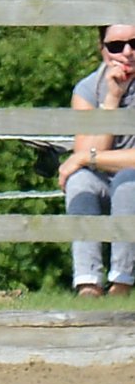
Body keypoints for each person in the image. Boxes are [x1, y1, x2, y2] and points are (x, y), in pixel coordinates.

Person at [57, 24, 135, 296]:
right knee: (81, 181)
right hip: (104, 178)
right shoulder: (88, 89)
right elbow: (85, 157)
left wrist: (88, 157)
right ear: (102, 50)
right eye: (115, 46)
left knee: (127, 179)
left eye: (134, 43)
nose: (127, 52)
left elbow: (85, 155)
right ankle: (88, 283)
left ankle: (122, 283)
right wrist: (112, 100)